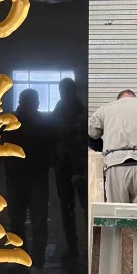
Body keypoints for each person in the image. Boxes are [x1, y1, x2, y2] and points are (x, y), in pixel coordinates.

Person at [5, 88, 51, 274]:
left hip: (17, 177)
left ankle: (22, 258)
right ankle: (36, 265)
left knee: (16, 220)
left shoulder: (11, 121)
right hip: (35, 177)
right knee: (37, 222)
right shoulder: (43, 122)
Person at [52, 77, 86, 258]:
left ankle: (83, 246)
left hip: (79, 168)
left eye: (66, 91)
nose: (64, 94)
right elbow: (51, 139)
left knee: (83, 207)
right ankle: (72, 246)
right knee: (67, 208)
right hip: (64, 167)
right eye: (62, 91)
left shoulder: (82, 113)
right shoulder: (59, 112)